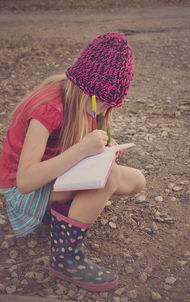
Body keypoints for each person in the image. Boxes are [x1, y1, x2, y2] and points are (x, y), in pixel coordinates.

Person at [0, 32, 146, 291]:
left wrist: (102, 152)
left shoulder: (83, 104)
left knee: (136, 181)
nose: (102, 111)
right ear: (85, 90)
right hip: (23, 192)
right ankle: (64, 257)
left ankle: (64, 216)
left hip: (53, 178)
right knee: (109, 178)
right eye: (101, 102)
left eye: (109, 106)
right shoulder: (48, 108)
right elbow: (25, 181)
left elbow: (72, 150)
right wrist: (82, 150)